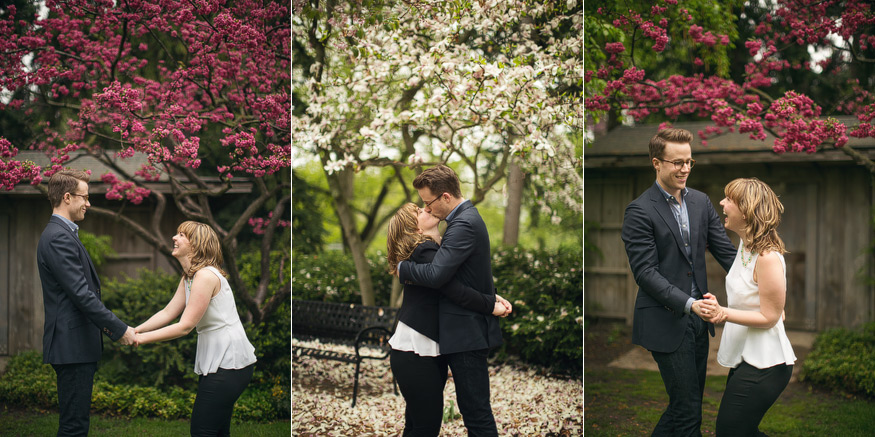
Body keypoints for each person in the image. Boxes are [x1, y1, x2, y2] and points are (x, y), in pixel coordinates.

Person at [621, 128, 737, 436]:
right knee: (688, 414)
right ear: (657, 163)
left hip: (700, 320)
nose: (685, 169)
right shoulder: (639, 210)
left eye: (689, 161)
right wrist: (689, 304)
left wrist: (762, 272)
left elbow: (726, 253)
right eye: (677, 162)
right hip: (666, 318)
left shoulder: (700, 202)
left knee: (685, 407)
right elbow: (645, 273)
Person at [396, 165, 504, 437]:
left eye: (427, 202)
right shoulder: (459, 224)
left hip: (466, 333)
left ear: (445, 197)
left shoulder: (463, 224)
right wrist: (490, 299)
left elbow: (436, 276)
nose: (427, 208)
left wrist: (402, 269)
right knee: (468, 413)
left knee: (476, 414)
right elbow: (462, 278)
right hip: (456, 335)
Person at [37, 169, 139, 436]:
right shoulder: (59, 236)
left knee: (76, 424)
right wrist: (119, 330)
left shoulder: (64, 233)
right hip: (71, 347)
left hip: (75, 346)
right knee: (74, 427)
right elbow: (82, 294)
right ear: (67, 197)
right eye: (85, 197)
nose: (89, 203)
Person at [133, 221, 257, 437]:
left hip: (230, 363)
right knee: (216, 431)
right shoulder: (190, 276)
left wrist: (141, 340)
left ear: (197, 244)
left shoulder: (206, 276)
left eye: (182, 235)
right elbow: (167, 312)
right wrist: (135, 330)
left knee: (203, 431)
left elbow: (185, 326)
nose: (174, 237)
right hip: (220, 363)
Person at [697, 178, 796, 436]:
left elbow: (773, 316)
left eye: (729, 200)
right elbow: (772, 306)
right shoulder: (745, 246)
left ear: (747, 210)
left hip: (767, 364)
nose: (722, 203)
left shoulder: (768, 258)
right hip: (747, 358)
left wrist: (723, 313)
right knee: (737, 431)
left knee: (731, 431)